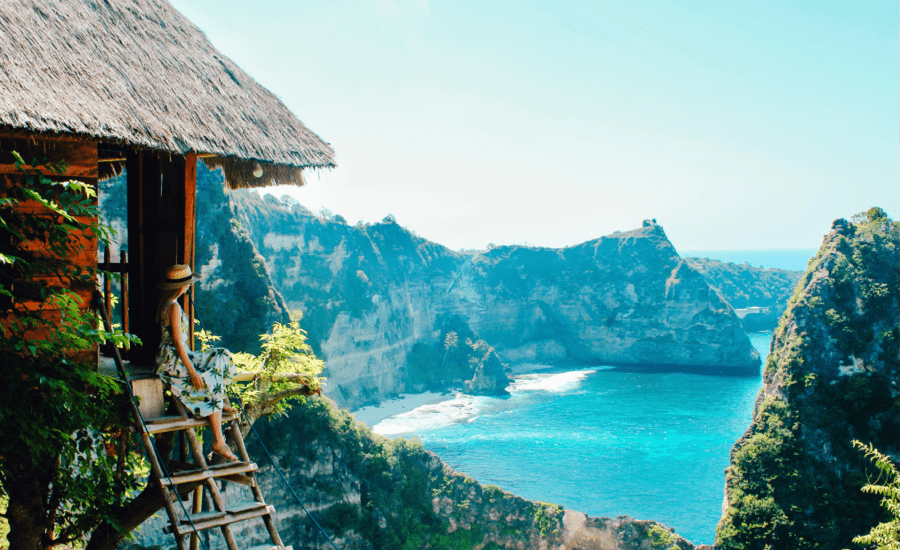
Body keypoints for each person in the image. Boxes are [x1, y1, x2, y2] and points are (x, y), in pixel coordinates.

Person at [155, 264, 239, 462]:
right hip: (173, 360)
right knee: (208, 376)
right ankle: (218, 440)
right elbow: (177, 341)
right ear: (181, 286)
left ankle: (218, 398)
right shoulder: (173, 307)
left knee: (221, 355)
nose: (189, 287)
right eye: (187, 284)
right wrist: (192, 371)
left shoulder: (168, 303)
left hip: (176, 355)